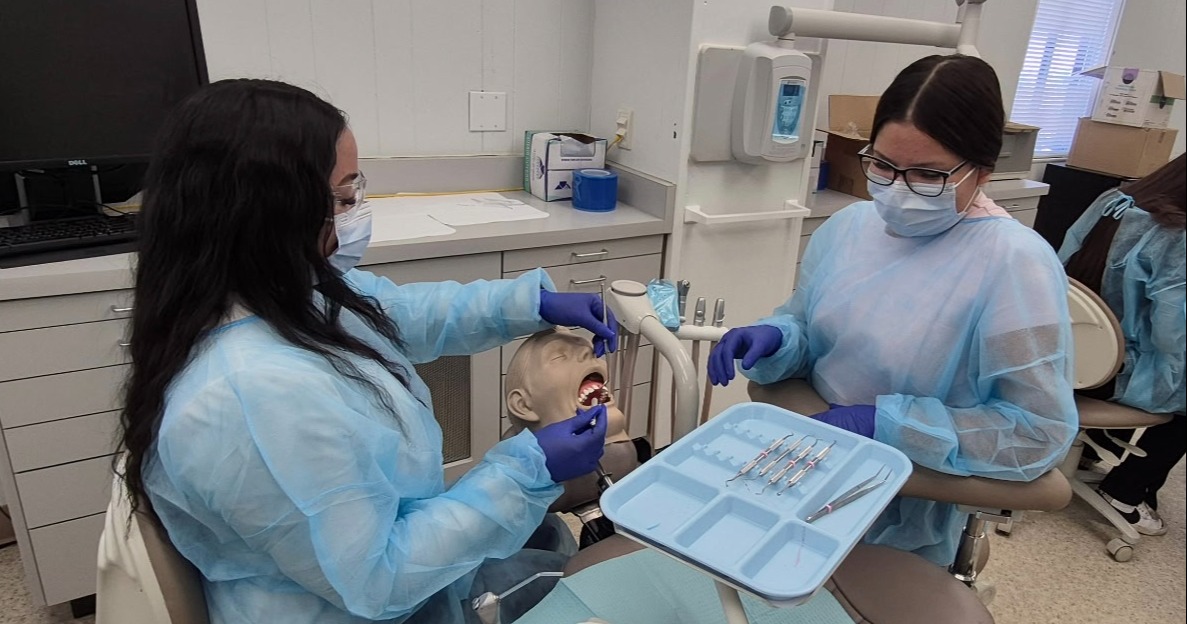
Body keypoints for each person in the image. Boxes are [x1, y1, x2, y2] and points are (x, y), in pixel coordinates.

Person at [116, 79, 619, 624]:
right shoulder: (253, 398)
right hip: (372, 607)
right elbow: (379, 580)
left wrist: (531, 303)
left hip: (377, 557)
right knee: (598, 575)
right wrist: (529, 468)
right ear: (269, 209)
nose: (355, 210)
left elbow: (402, 315)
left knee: (543, 530)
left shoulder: (284, 290)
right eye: (342, 196)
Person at [707, 54, 1078, 566]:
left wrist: (886, 423)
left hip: (899, 503)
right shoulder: (851, 226)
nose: (897, 189)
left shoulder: (1015, 263)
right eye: (882, 165)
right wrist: (776, 337)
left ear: (983, 173)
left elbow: (1035, 433)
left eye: (927, 174)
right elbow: (808, 326)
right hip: (810, 460)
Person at [1058, 153, 1186, 536]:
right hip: (1112, 374)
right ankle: (1126, 492)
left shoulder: (1112, 200)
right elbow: (1170, 333)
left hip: (1063, 354)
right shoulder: (1177, 235)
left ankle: (1085, 456)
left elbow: (1062, 268)